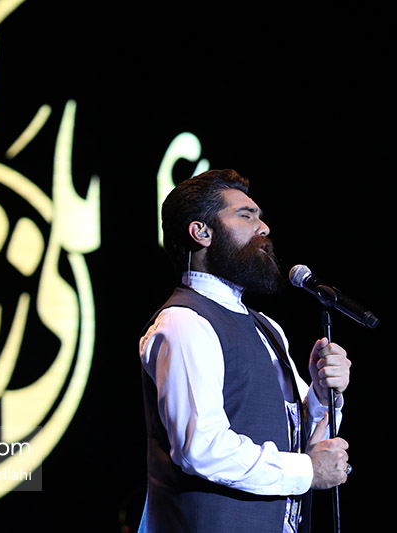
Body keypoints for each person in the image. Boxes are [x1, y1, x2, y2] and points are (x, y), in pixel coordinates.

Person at [138, 169, 352, 533]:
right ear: (201, 232)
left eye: (260, 216)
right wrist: (307, 470)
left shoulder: (267, 327)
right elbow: (201, 447)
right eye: (246, 215)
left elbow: (297, 438)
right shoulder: (184, 321)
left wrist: (321, 394)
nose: (263, 227)